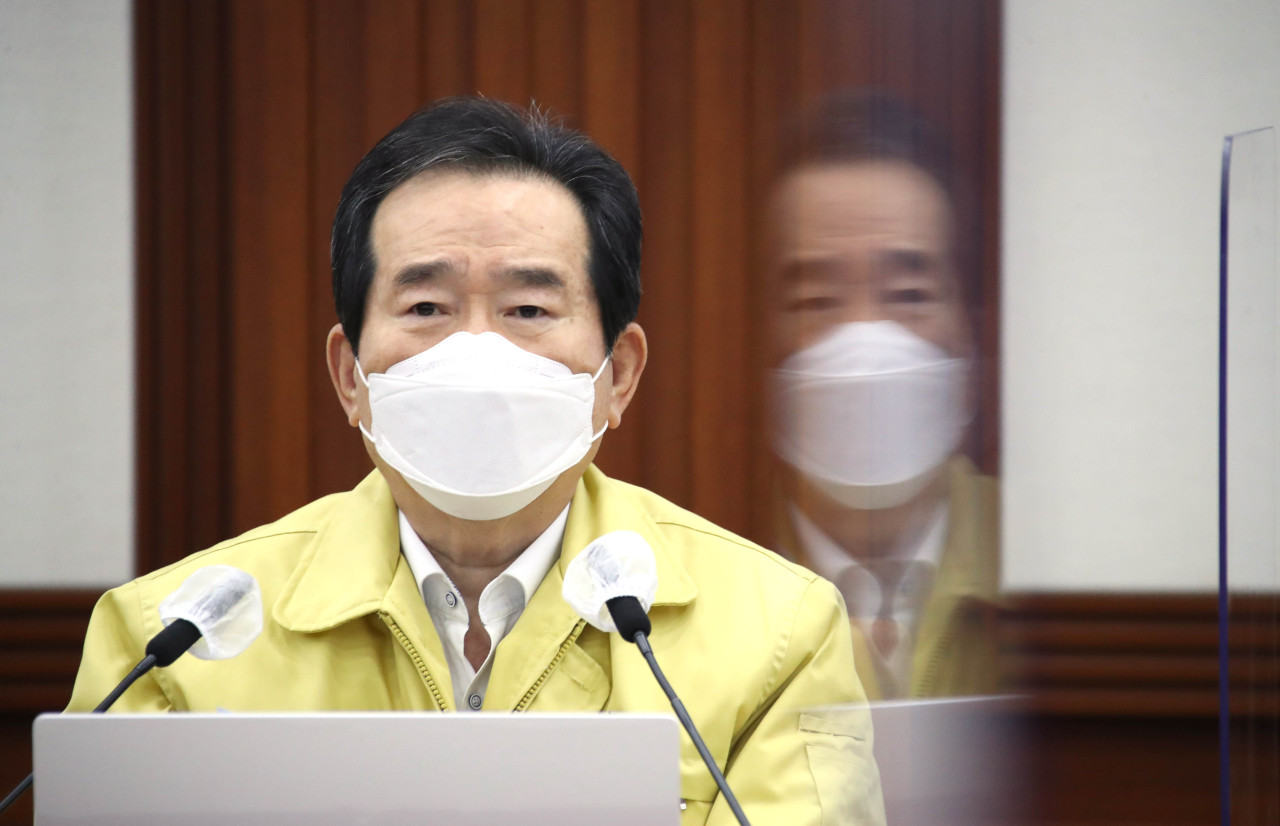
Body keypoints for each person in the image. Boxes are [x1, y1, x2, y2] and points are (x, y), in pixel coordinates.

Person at [68, 97, 884, 825]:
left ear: (619, 375)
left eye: (529, 307)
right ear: (350, 376)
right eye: (426, 307)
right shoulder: (169, 639)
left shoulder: (777, 635)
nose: (477, 351)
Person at [768, 91, 1000, 700]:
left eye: (910, 294)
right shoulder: (688, 576)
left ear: (970, 332)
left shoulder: (1042, 563)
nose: (866, 334)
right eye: (817, 300)